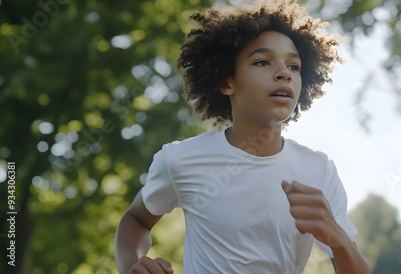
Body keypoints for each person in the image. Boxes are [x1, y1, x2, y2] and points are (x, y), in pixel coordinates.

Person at [115, 0, 371, 273]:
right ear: (227, 82)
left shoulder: (318, 170)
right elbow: (135, 220)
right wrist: (132, 265)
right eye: (262, 61)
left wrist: (339, 239)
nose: (284, 73)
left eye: (294, 67)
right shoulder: (179, 161)